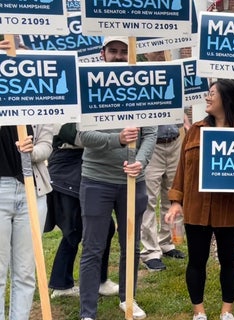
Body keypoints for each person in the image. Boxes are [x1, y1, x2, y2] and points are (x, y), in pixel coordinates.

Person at [165, 79, 234, 320]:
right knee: (197, 260)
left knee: (229, 259)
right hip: (197, 209)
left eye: (211, 94)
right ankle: (199, 312)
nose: (207, 98)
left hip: (229, 209)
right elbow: (181, 169)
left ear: (226, 99)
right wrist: (176, 201)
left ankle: (226, 312)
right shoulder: (195, 130)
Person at [78, 36, 156, 320]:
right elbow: (83, 135)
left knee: (131, 245)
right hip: (96, 180)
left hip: (133, 181)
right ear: (102, 54)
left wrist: (141, 161)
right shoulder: (89, 87)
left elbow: (150, 133)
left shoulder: (145, 89)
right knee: (93, 248)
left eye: (125, 51)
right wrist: (118, 139)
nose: (119, 56)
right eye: (113, 50)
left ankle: (128, 298)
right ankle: (87, 311)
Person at [0, 37, 54, 320]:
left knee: (26, 271)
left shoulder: (42, 98)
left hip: (33, 190)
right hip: (0, 189)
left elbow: (47, 146)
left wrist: (32, 151)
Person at [45, 123, 118, 298]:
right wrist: (116, 136)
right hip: (66, 173)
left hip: (89, 168)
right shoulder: (64, 112)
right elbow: (81, 138)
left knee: (105, 227)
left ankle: (100, 280)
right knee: (73, 230)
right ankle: (62, 285)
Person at [139, 51, 186, 272]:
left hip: (174, 140)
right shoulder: (141, 77)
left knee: (172, 194)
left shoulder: (175, 74)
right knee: (149, 199)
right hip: (152, 144)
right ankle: (150, 251)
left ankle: (166, 243)